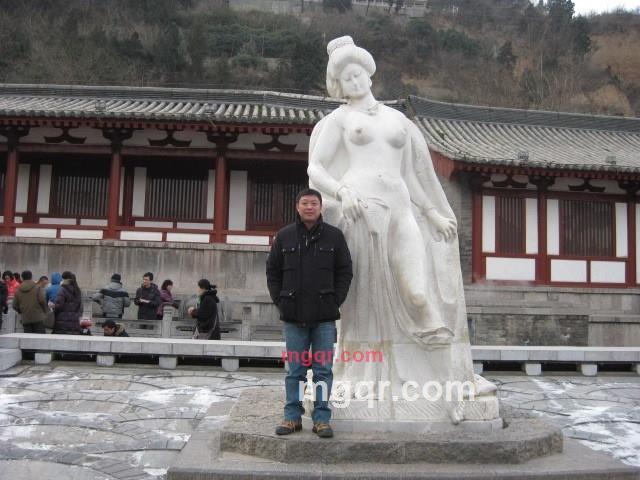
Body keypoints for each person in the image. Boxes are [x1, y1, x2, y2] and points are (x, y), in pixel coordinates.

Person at [307, 36, 479, 423]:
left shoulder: (398, 120)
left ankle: (444, 384)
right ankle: (367, 373)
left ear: (369, 73)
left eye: (358, 73)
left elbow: (412, 175)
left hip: (402, 213)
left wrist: (432, 212)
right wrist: (342, 192)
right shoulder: (339, 120)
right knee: (361, 302)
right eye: (346, 78)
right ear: (339, 85)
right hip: (362, 213)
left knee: (418, 294)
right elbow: (315, 168)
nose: (354, 81)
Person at [266, 188, 353, 439]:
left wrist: (336, 300)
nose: (309, 207)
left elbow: (345, 271)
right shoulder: (285, 236)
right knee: (295, 370)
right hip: (293, 316)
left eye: (313, 203)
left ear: (320, 207)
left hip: (324, 317)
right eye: (305, 203)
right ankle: (292, 417)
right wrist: (280, 301)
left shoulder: (334, 237)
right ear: (297, 207)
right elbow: (273, 271)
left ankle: (322, 418)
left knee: (323, 369)